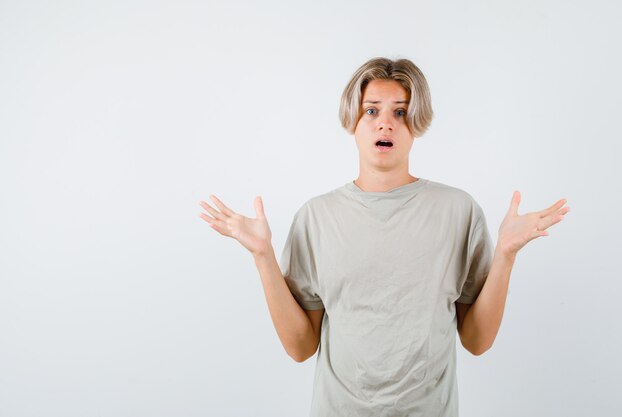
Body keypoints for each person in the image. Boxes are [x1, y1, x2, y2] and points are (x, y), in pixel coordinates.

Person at [198, 57, 570, 416]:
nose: (385, 124)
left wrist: (506, 253)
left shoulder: (459, 211)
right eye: (372, 110)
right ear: (353, 121)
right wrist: (262, 255)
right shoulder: (316, 218)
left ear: (417, 123)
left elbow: (476, 341)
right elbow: (300, 347)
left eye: (401, 112)